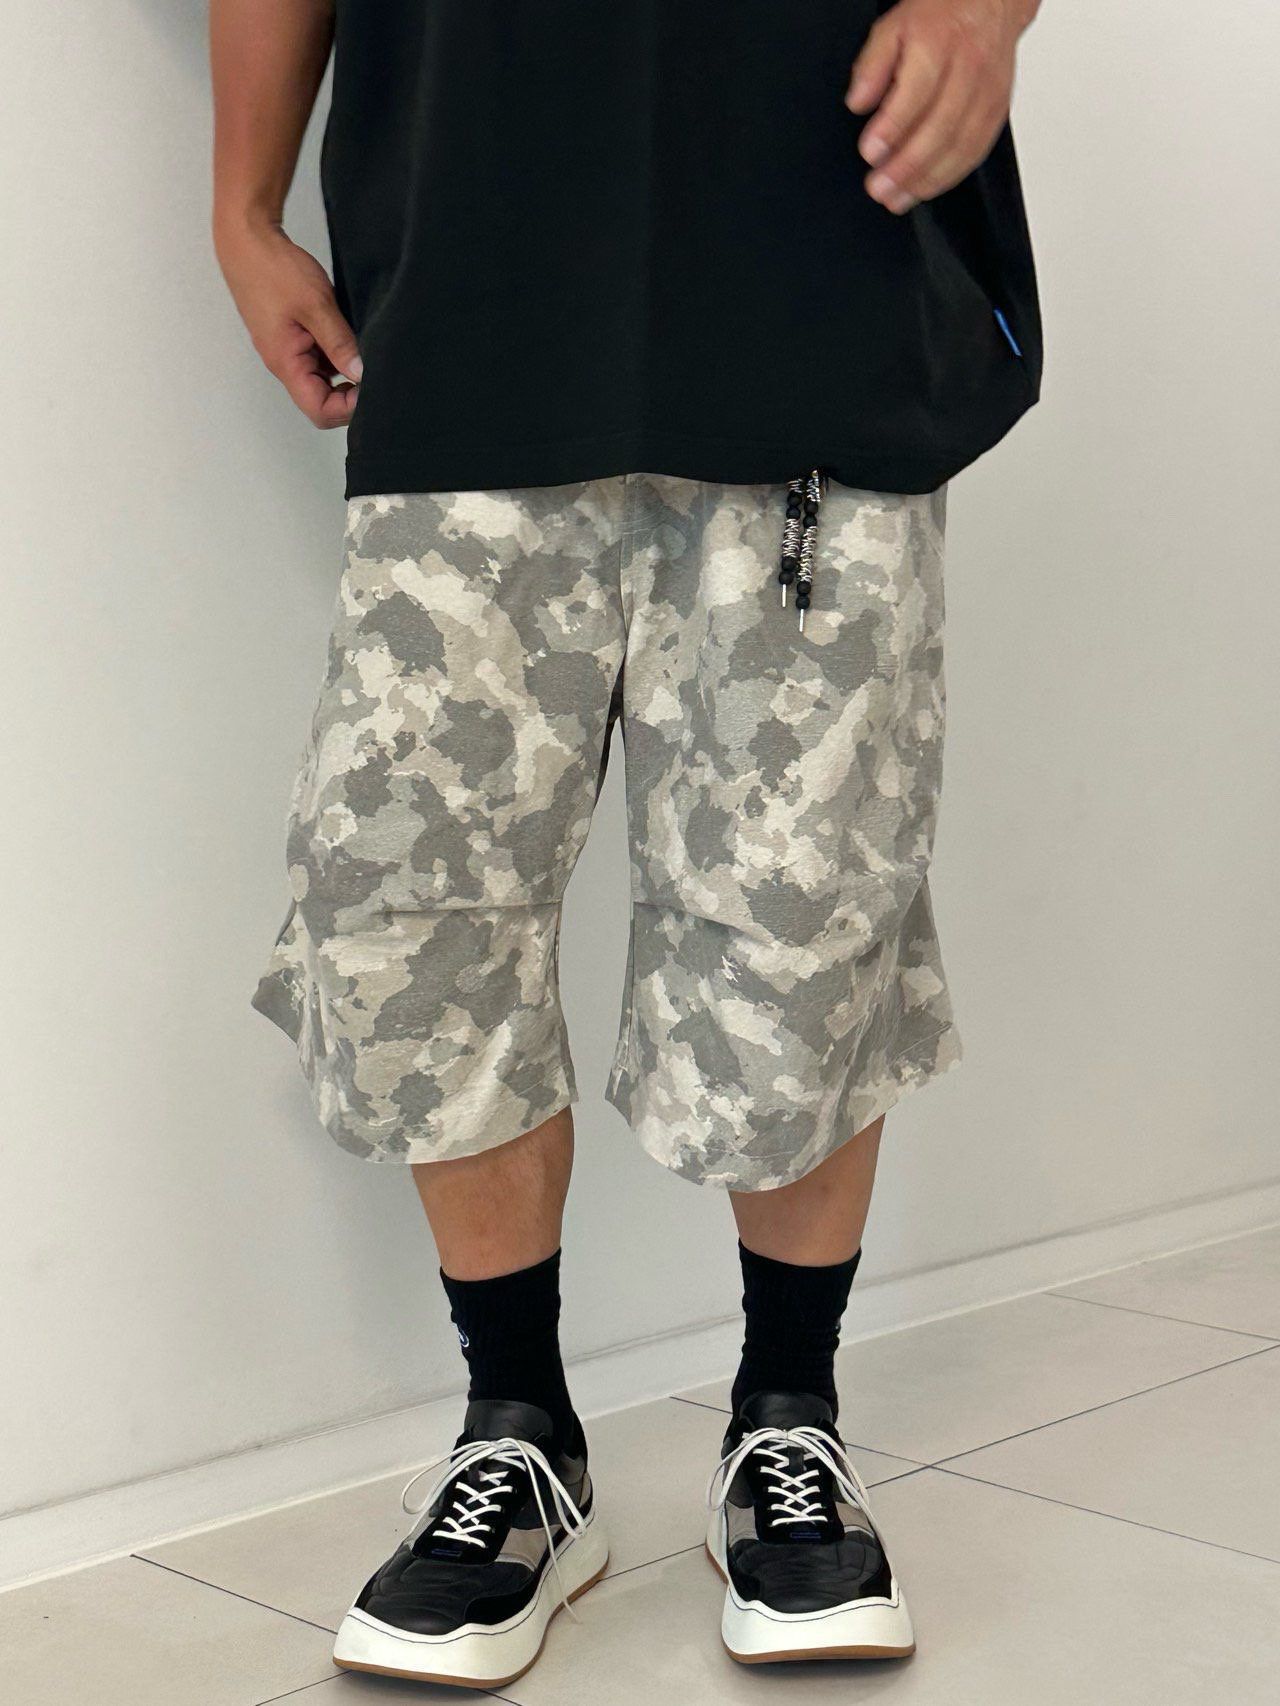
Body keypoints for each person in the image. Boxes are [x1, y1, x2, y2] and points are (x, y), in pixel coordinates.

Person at [213, 0, 1041, 1685]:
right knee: (413, 906)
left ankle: (786, 1418)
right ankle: (518, 1432)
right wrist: (242, 202)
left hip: (817, 272)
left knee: (803, 907)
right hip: (465, 285)